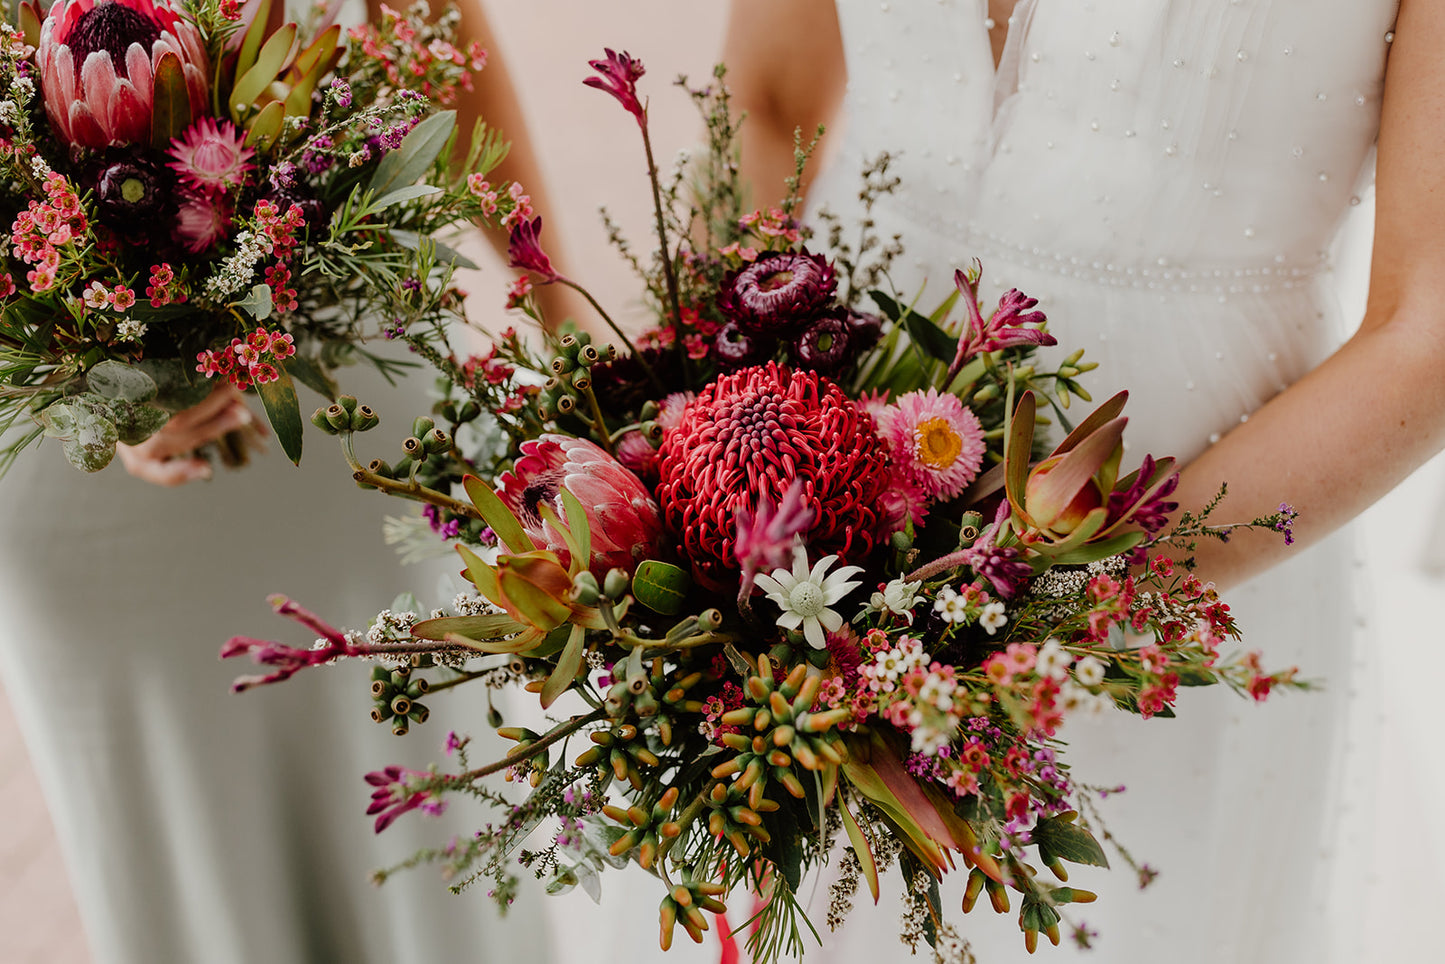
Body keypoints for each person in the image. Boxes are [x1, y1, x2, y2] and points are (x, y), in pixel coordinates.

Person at [721, 0, 1425, 961]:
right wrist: (711, 440)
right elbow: (764, 100)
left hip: (1189, 563)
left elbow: (1426, 333)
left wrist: (1035, 614)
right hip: (798, 508)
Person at [0, 1, 581, 961]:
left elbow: (442, 28)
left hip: (354, 404)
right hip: (77, 483)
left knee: (426, 842)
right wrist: (93, 394)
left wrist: (560, 316)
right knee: (181, 856)